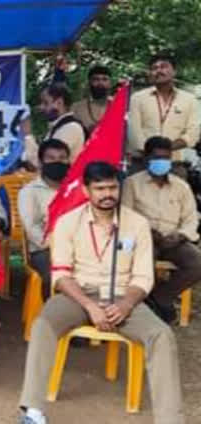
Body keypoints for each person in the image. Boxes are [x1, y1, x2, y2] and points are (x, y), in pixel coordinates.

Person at [18, 162, 184, 424]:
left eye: (112, 187)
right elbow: (61, 276)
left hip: (123, 297)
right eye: (100, 188)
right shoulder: (67, 222)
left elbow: (143, 277)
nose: (107, 194)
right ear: (86, 190)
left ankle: (171, 420)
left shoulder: (137, 224)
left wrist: (127, 305)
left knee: (162, 335)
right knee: (43, 325)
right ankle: (33, 411)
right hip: (77, 295)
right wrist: (90, 306)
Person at [122, 136, 201, 324]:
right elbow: (125, 215)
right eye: (157, 158)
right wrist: (146, 232)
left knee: (197, 263)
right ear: (146, 159)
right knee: (141, 263)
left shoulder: (181, 186)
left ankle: (158, 299)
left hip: (173, 239)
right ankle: (149, 305)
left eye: (166, 158)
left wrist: (181, 236)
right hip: (143, 238)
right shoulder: (132, 183)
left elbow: (191, 219)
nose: (162, 162)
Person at [128, 53, 200, 172]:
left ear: (174, 72)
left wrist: (165, 150)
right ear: (150, 73)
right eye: (154, 68)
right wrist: (152, 153)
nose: (159, 71)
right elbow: (134, 132)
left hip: (175, 164)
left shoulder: (190, 100)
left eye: (164, 66)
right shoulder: (137, 98)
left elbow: (193, 134)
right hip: (142, 163)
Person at [18, 139, 71, 297]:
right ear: (41, 163)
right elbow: (31, 228)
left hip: (77, 247)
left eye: (62, 158)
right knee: (55, 278)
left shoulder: (76, 189)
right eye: (51, 158)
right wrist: (54, 246)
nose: (58, 162)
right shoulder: (29, 192)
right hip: (44, 250)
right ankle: (52, 315)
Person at [70, 65, 113, 134]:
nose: (100, 83)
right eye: (96, 79)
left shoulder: (120, 106)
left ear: (110, 83)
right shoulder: (76, 108)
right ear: (89, 82)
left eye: (104, 79)